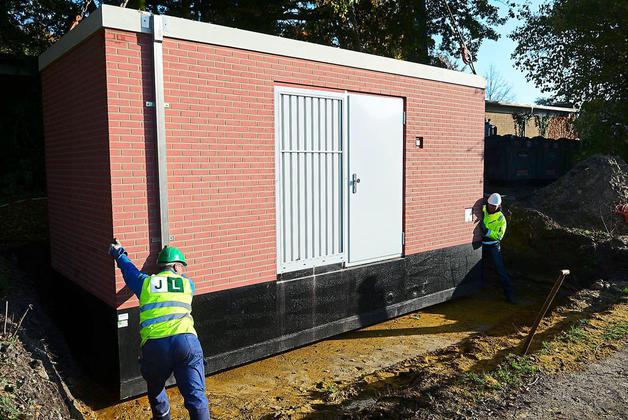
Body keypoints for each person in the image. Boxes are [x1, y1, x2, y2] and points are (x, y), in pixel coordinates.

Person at [109, 240, 210, 420]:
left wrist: (119, 253)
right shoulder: (188, 285)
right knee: (196, 397)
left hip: (155, 346)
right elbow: (177, 283)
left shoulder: (145, 284)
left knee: (156, 391)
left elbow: (129, 270)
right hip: (185, 343)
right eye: (182, 266)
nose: (184, 270)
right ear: (176, 266)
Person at [482, 193, 516, 304]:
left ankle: (510, 295)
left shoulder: (501, 219)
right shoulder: (483, 210)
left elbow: (499, 236)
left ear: (499, 205)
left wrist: (487, 232)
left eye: (494, 206)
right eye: (490, 205)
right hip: (481, 244)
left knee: (500, 269)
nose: (491, 207)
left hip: (493, 245)